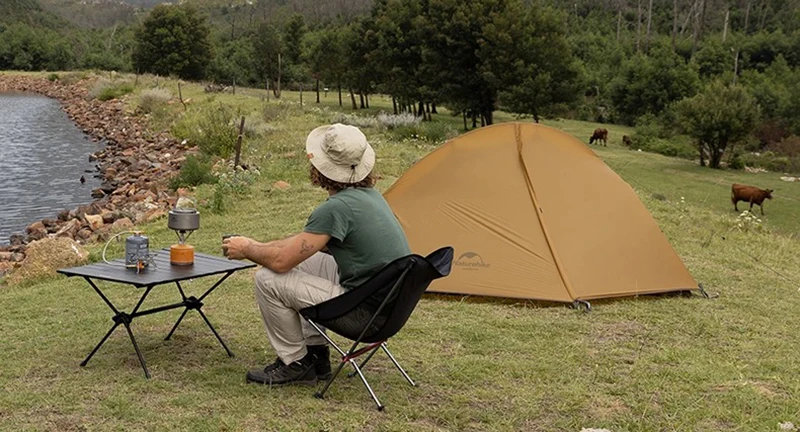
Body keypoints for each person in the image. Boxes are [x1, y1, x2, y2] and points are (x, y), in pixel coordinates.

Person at [222, 123, 411, 386]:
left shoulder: (337, 208)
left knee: (267, 278)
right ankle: (316, 354)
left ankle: (296, 363)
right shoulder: (370, 197)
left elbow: (281, 261)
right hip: (388, 309)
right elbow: (304, 246)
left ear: (319, 167)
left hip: (365, 316)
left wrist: (247, 249)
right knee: (309, 262)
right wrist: (260, 245)